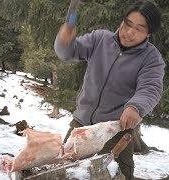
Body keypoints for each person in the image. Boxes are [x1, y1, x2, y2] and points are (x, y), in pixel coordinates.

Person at [54, 1, 165, 179]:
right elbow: (67, 53)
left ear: (149, 33)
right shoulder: (100, 39)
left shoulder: (151, 59)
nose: (129, 32)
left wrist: (135, 107)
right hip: (81, 125)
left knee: (115, 175)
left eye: (139, 29)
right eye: (128, 24)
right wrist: (65, 39)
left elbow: (150, 88)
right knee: (62, 172)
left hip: (115, 131)